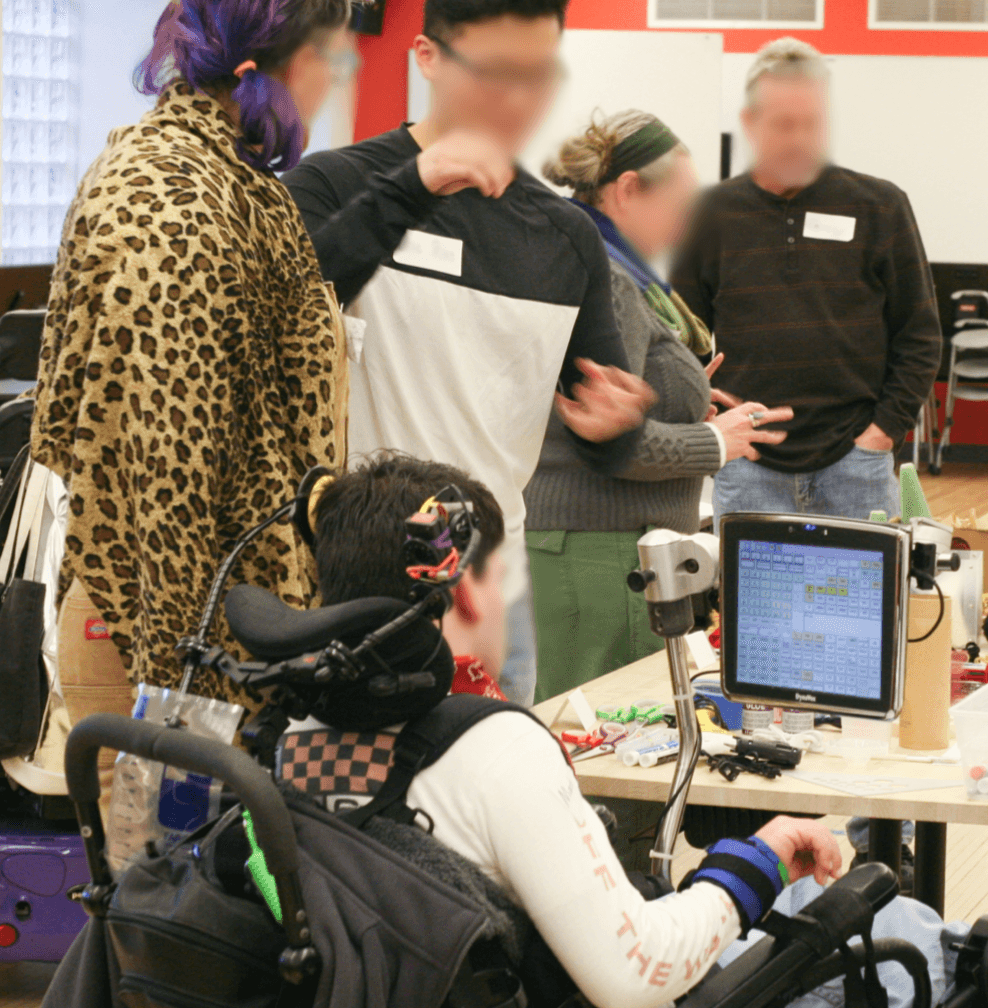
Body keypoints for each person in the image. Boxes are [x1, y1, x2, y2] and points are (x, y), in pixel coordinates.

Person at [292, 452, 849, 1008]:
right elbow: (639, 976)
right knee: (901, 931)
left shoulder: (291, 737)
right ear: (466, 593)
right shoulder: (495, 752)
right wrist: (762, 856)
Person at [281, 0, 655, 710]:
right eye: (493, 71)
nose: (516, 98)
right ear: (427, 58)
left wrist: (617, 425)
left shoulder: (565, 233)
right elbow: (282, 313)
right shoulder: (334, 187)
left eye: (536, 74)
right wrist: (413, 186)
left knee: (486, 793)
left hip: (493, 585)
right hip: (351, 579)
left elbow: (601, 425)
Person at [31, 0, 354, 724]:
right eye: (328, 60)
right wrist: (181, 689)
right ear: (268, 68)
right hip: (159, 622)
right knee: (161, 837)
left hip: (216, 616)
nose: (334, 80)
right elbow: (163, 468)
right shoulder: (170, 199)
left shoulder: (229, 181)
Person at [526, 110, 794, 701]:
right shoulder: (612, 278)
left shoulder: (605, 264)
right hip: (599, 550)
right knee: (605, 744)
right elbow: (608, 444)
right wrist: (718, 441)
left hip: (600, 547)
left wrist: (687, 400)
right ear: (627, 190)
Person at [672, 38, 940, 525]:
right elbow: (680, 344)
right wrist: (712, 423)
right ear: (751, 124)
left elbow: (919, 335)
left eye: (812, 124)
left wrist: (881, 433)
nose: (799, 139)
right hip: (748, 467)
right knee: (747, 604)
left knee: (866, 603)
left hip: (857, 466)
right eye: (783, 124)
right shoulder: (708, 216)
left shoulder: (881, 206)